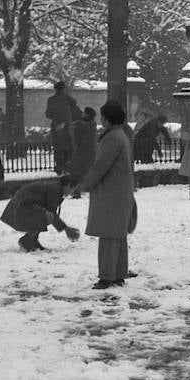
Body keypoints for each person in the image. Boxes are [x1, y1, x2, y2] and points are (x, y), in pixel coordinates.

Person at [73, 100, 138, 289]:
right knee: (118, 235)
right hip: (120, 190)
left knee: (108, 235)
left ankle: (107, 275)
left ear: (108, 119)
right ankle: (118, 273)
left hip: (110, 192)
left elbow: (101, 165)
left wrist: (87, 183)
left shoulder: (111, 138)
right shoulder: (121, 135)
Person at [0, 176, 80, 252]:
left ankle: (32, 240)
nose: (72, 192)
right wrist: (65, 228)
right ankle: (27, 240)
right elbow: (50, 213)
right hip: (21, 207)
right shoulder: (55, 190)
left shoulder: (56, 188)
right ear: (68, 185)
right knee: (43, 215)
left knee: (44, 215)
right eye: (73, 189)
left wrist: (63, 227)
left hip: (22, 205)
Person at [45, 80, 80, 175]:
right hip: (68, 126)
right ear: (64, 88)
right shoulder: (69, 99)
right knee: (69, 148)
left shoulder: (51, 100)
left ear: (55, 89)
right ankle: (68, 167)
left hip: (56, 126)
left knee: (58, 148)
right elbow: (75, 108)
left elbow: (48, 114)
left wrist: (56, 116)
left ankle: (59, 167)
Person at [69, 107, 99, 183]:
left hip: (83, 151)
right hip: (89, 152)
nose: (82, 113)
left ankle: (78, 190)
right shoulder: (92, 125)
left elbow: (77, 128)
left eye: (84, 113)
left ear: (87, 115)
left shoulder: (83, 125)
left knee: (78, 172)